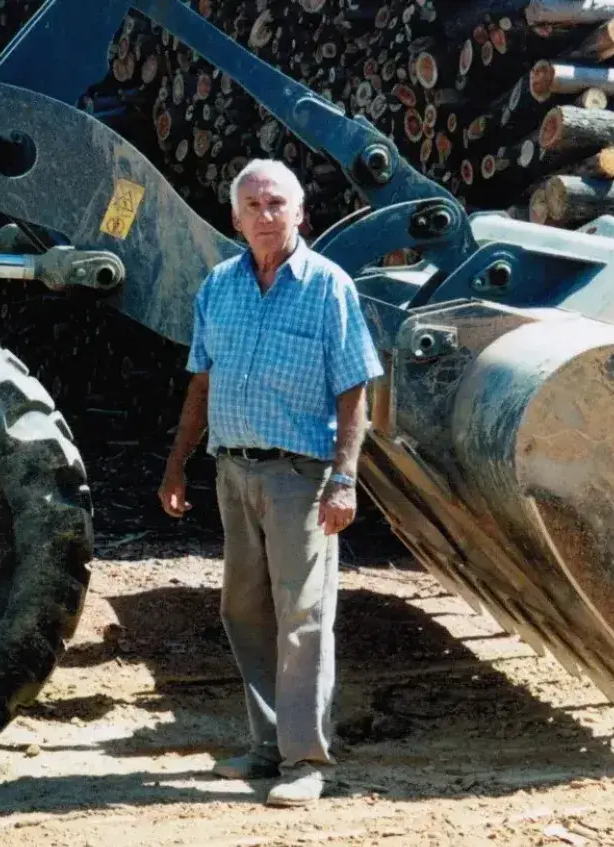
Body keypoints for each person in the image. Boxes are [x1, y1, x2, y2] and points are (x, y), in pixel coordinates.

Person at [157, 159, 384, 807]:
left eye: (277, 203)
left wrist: (344, 479)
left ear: (300, 213)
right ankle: (268, 745)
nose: (265, 215)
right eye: (253, 205)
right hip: (234, 472)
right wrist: (177, 464)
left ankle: (305, 760)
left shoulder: (328, 287)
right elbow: (202, 382)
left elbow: (354, 392)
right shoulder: (218, 287)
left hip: (300, 479)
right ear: (235, 218)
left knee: (304, 618)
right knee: (244, 612)